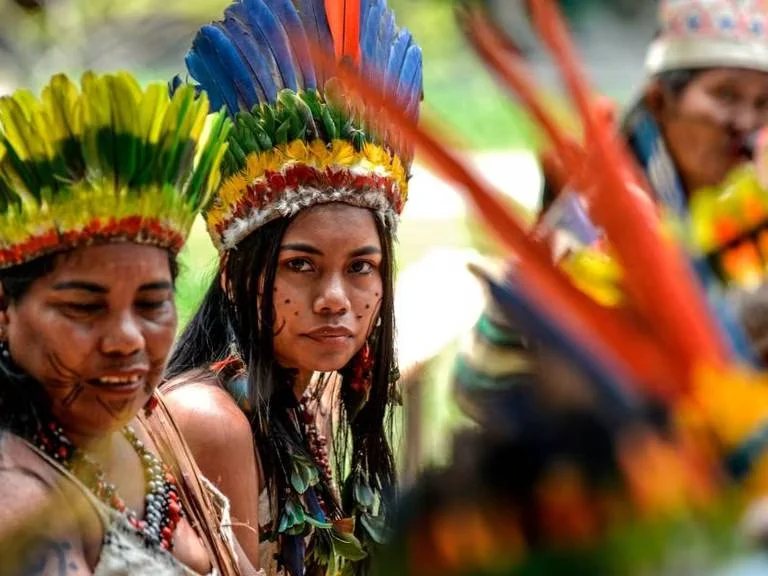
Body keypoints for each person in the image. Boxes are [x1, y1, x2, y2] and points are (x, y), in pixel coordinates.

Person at [160, 0, 423, 573]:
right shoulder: (212, 420)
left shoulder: (315, 397)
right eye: (301, 266)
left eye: (361, 268)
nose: (335, 299)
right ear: (233, 278)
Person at [455, 0, 768, 431]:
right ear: (661, 99)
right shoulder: (610, 210)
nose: (745, 122)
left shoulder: (719, 197)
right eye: (726, 95)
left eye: (762, 103)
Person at [0, 71, 250, 575]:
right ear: (4, 312)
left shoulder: (145, 433)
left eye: (152, 303)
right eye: (85, 308)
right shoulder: (18, 498)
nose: (127, 339)